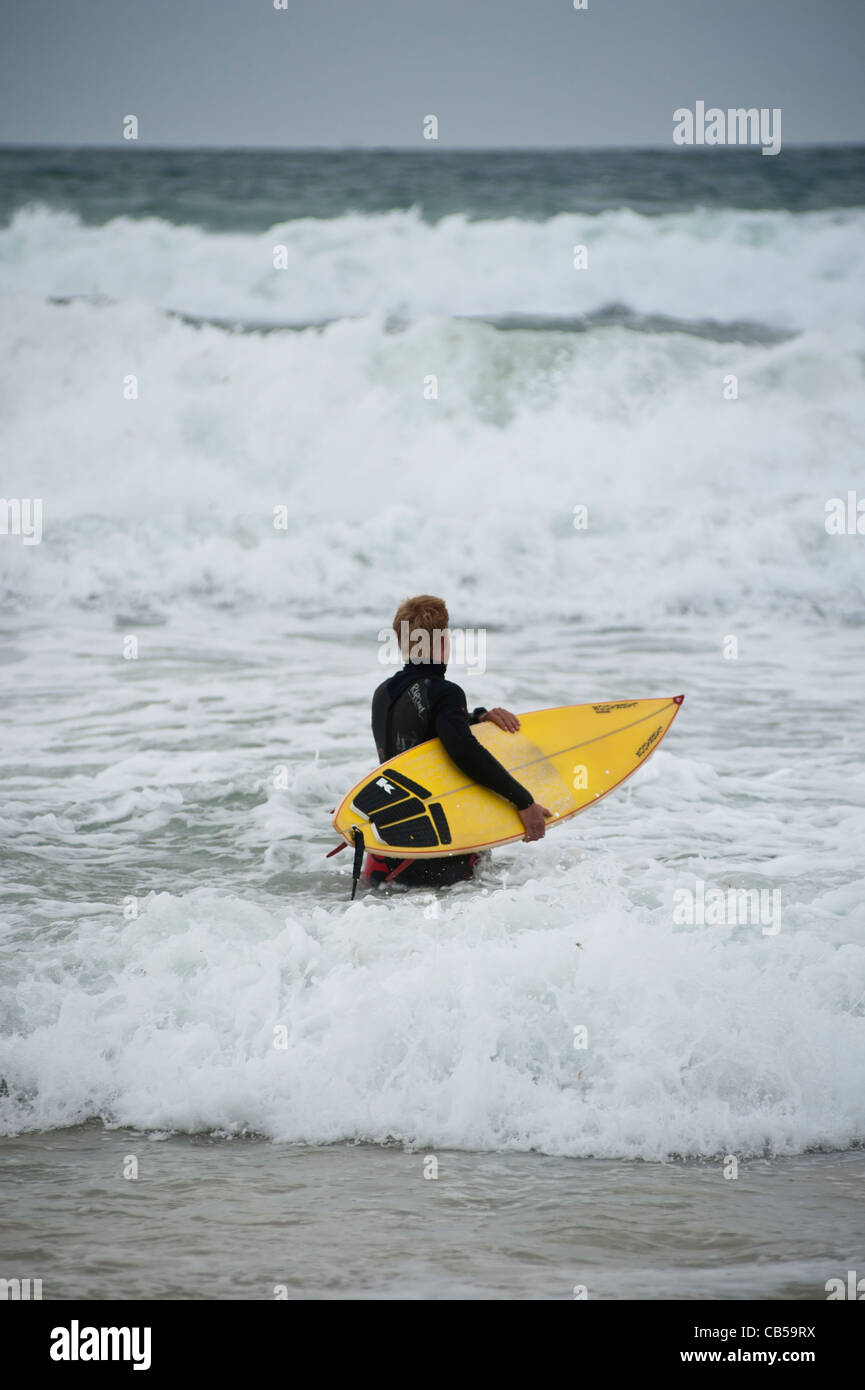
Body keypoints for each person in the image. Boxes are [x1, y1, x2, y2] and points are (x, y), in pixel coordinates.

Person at [364, 594, 550, 889]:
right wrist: (524, 801)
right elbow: (463, 751)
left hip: (386, 851)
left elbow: (418, 736)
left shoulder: (383, 693)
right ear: (443, 641)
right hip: (435, 855)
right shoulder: (445, 692)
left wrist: (477, 718)